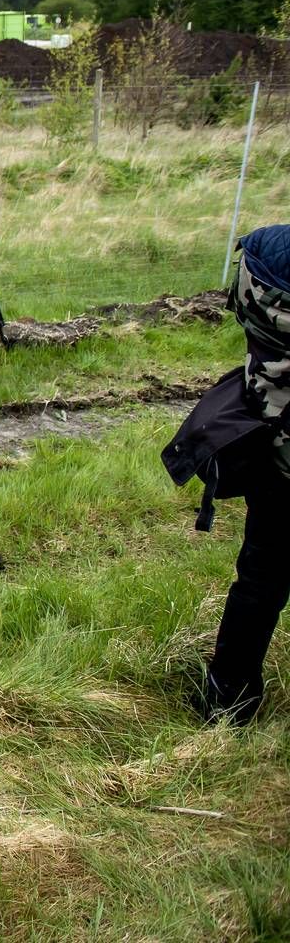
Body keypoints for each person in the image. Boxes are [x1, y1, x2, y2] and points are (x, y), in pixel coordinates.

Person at [171, 225, 290, 725]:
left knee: (261, 578)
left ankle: (228, 699)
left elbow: (251, 255)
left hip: (275, 448)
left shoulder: (265, 265)